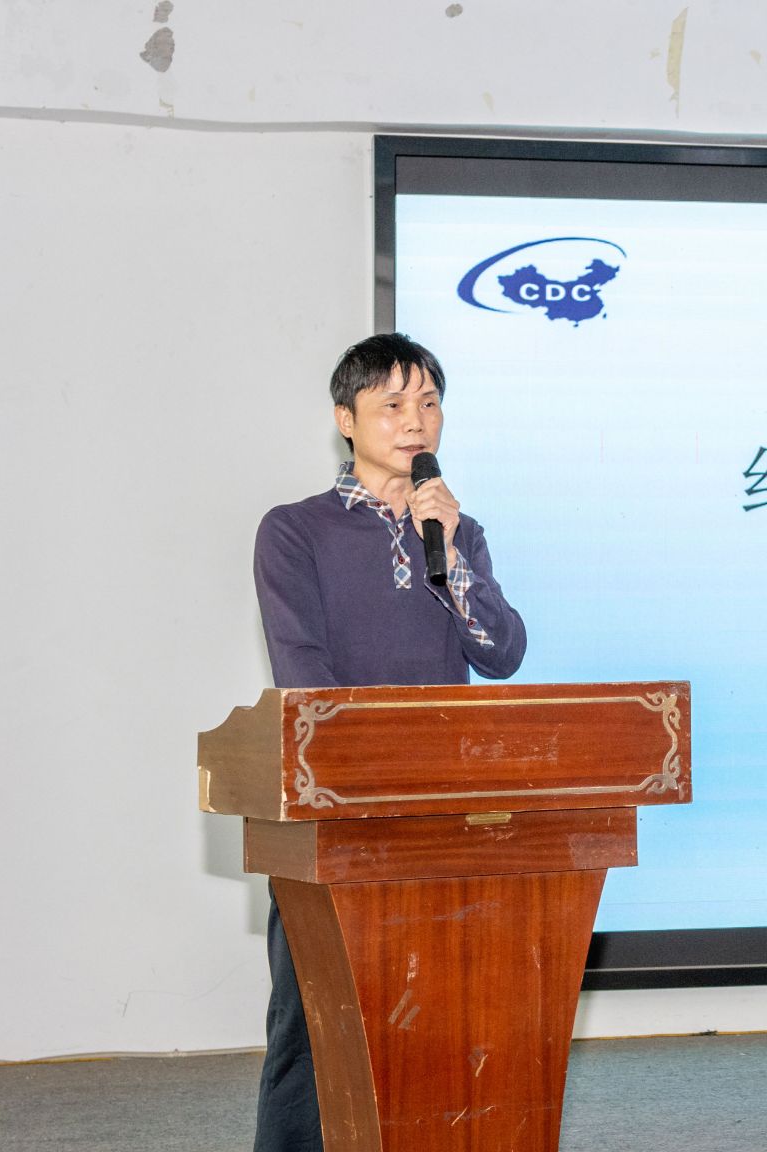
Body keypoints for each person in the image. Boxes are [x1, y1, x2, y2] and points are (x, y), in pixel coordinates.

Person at [250, 333, 526, 1151]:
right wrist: (370, 774)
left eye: (430, 404)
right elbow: (304, 673)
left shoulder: (461, 533)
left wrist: (453, 556)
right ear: (346, 419)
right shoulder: (295, 531)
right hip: (335, 815)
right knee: (314, 1024)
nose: (416, 422)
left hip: (444, 812)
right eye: (394, 405)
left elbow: (502, 654)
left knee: (439, 1020)